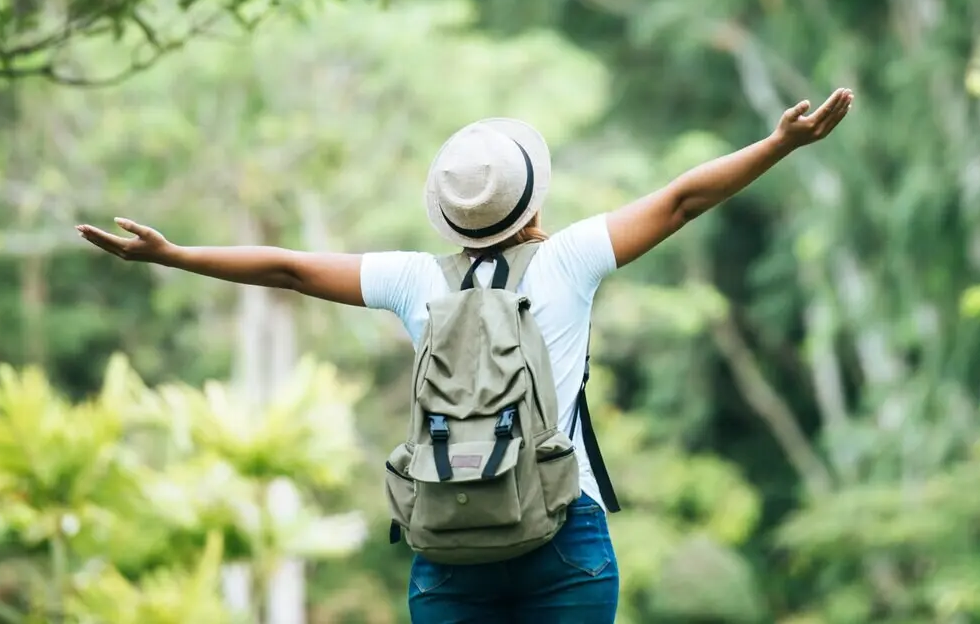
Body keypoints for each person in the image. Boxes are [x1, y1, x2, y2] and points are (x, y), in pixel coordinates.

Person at [77, 88, 853, 623]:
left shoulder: (413, 280)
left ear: (451, 216)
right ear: (532, 200)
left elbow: (290, 269)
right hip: (564, 534)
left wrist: (173, 254)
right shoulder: (569, 261)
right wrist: (779, 144)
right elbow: (682, 200)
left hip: (450, 540)